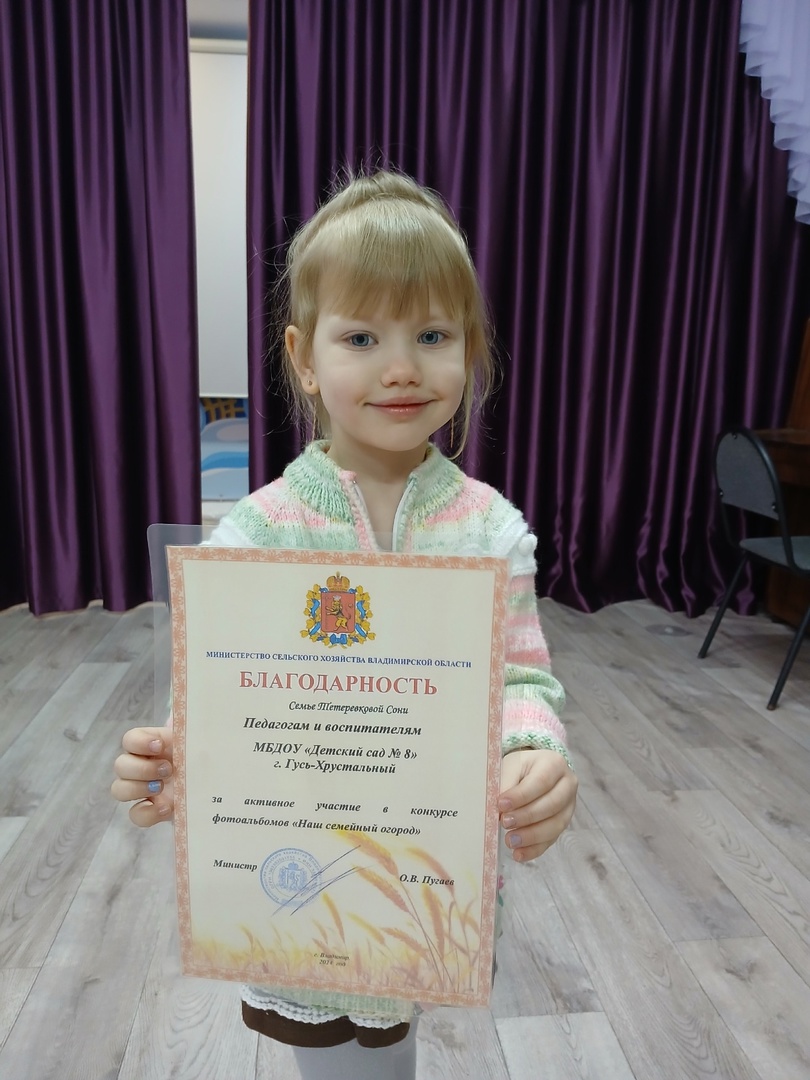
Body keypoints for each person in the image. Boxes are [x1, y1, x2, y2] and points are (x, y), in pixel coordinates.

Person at [111, 169, 577, 1080]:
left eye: (432, 335)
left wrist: (535, 751)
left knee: (395, 1041)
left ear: (471, 349)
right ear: (303, 357)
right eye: (362, 337)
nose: (401, 367)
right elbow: (219, 707)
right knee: (331, 1056)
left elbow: (523, 677)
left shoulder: (491, 530)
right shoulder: (256, 531)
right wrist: (170, 762)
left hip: (427, 883)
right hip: (297, 885)